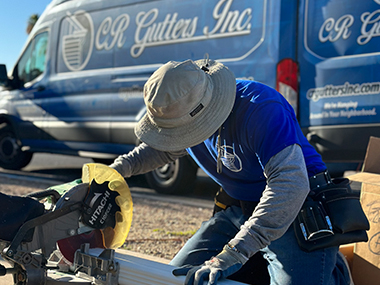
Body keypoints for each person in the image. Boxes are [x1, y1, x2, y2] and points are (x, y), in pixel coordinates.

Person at [110, 58, 352, 284]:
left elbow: (290, 185)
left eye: (179, 133)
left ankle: (332, 269)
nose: (178, 139)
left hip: (295, 209)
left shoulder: (261, 108)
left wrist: (235, 252)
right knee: (177, 277)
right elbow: (163, 149)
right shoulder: (187, 105)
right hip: (241, 208)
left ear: (205, 114)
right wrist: (114, 172)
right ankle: (259, 261)